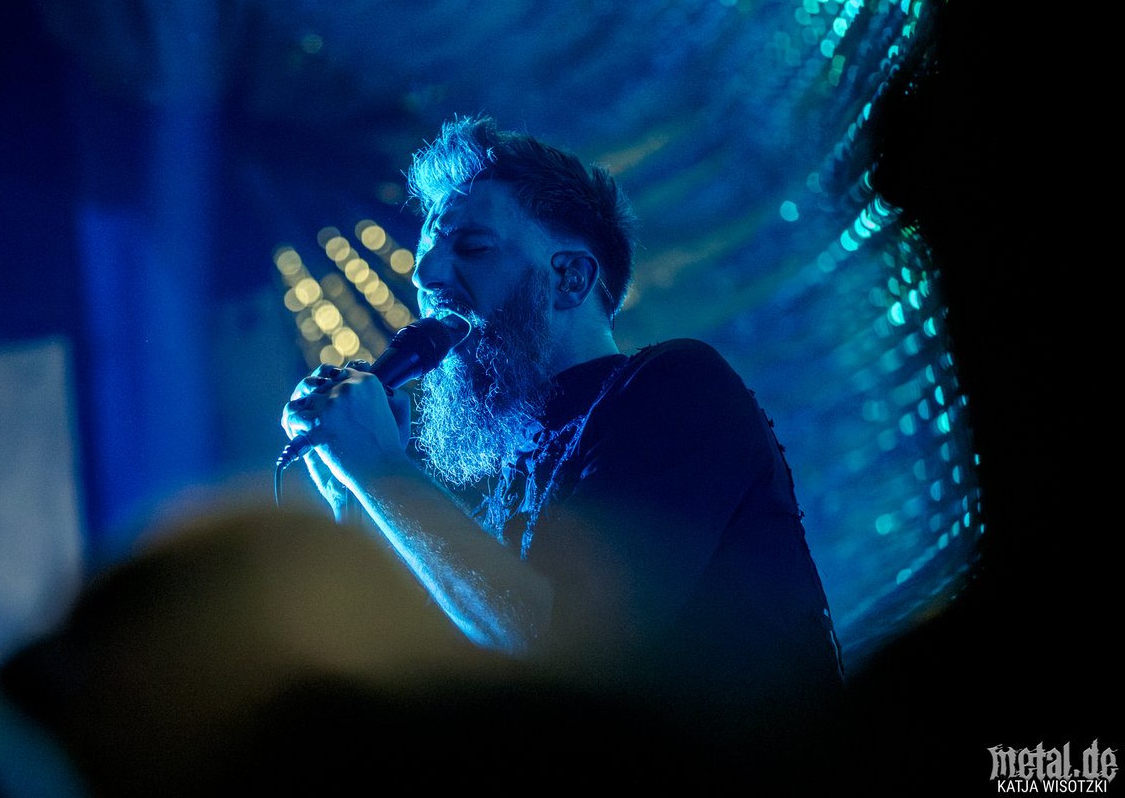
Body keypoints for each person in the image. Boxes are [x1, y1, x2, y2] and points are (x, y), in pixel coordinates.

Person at [282, 115, 844, 737]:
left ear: (570, 278)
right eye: (424, 260)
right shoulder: (492, 489)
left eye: (472, 248)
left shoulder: (675, 387)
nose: (427, 277)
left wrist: (382, 470)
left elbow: (563, 648)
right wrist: (352, 496)